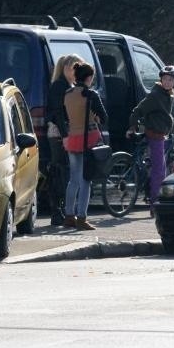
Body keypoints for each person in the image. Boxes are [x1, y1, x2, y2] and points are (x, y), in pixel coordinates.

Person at [127, 65, 174, 215]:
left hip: (162, 133)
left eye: (171, 80)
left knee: (159, 166)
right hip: (155, 134)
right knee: (159, 171)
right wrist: (132, 125)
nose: (167, 82)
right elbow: (139, 110)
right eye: (165, 79)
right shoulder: (156, 95)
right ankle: (155, 205)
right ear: (161, 79)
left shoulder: (168, 94)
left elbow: (163, 114)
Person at [62, 62, 108, 230]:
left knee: (73, 179)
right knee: (86, 180)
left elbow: (65, 116)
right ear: (89, 78)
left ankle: (69, 215)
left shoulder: (67, 94)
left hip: (72, 137)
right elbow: (104, 117)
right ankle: (82, 217)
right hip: (89, 138)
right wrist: (95, 118)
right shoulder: (90, 95)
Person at [45, 54, 84, 225]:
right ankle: (56, 210)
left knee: (68, 172)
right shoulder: (58, 86)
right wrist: (65, 135)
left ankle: (64, 209)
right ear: (65, 68)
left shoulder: (72, 85)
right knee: (59, 171)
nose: (75, 71)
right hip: (59, 133)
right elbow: (57, 113)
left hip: (71, 132)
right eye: (72, 67)